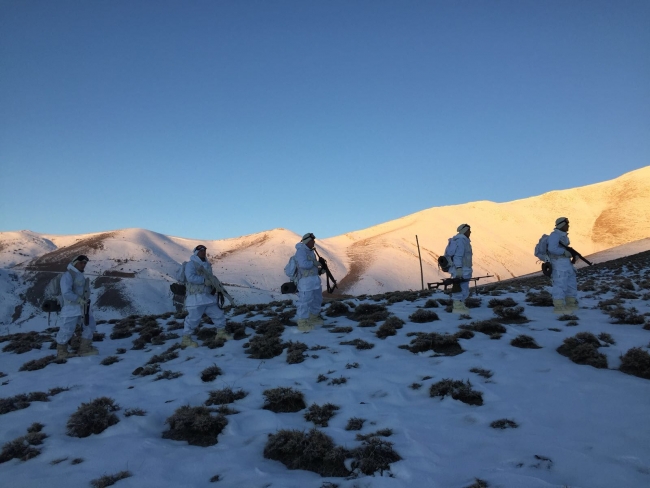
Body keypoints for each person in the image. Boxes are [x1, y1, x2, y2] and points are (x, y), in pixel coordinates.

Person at [181, 245, 232, 347]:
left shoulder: (207, 264)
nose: (203, 252)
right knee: (193, 319)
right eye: (201, 251)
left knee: (218, 314)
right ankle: (186, 339)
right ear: (196, 252)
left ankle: (221, 332)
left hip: (208, 296)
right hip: (196, 297)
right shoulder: (191, 264)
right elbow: (190, 277)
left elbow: (210, 278)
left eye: (204, 250)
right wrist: (204, 280)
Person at [56, 255, 98, 358]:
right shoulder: (68, 275)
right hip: (70, 308)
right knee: (67, 329)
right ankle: (61, 352)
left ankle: (85, 348)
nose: (83, 265)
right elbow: (66, 293)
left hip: (83, 307)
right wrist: (78, 299)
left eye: (84, 263)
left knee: (90, 325)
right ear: (75, 263)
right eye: (81, 263)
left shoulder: (79, 275)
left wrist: (83, 301)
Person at [547, 217, 578, 313]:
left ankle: (571, 304)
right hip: (558, 265)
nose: (568, 226)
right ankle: (559, 307)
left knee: (571, 284)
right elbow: (552, 248)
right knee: (560, 285)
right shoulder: (555, 235)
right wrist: (564, 252)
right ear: (561, 225)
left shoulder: (563, 235)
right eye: (566, 224)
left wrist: (573, 255)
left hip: (566, 264)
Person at [294, 233, 324, 331]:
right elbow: (303, 265)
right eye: (312, 241)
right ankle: (302, 322)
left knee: (317, 299)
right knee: (305, 301)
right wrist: (314, 263)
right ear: (307, 241)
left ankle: (314, 317)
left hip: (314, 280)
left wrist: (319, 270)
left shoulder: (311, 251)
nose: (314, 242)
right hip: (305, 282)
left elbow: (311, 267)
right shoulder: (301, 251)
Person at [449, 224, 473, 313]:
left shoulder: (463, 240)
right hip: (461, 269)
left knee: (464, 287)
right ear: (465, 230)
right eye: (468, 230)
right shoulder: (461, 240)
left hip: (464, 268)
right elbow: (458, 256)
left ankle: (461, 304)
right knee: (459, 287)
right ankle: (457, 307)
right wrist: (458, 268)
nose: (470, 232)